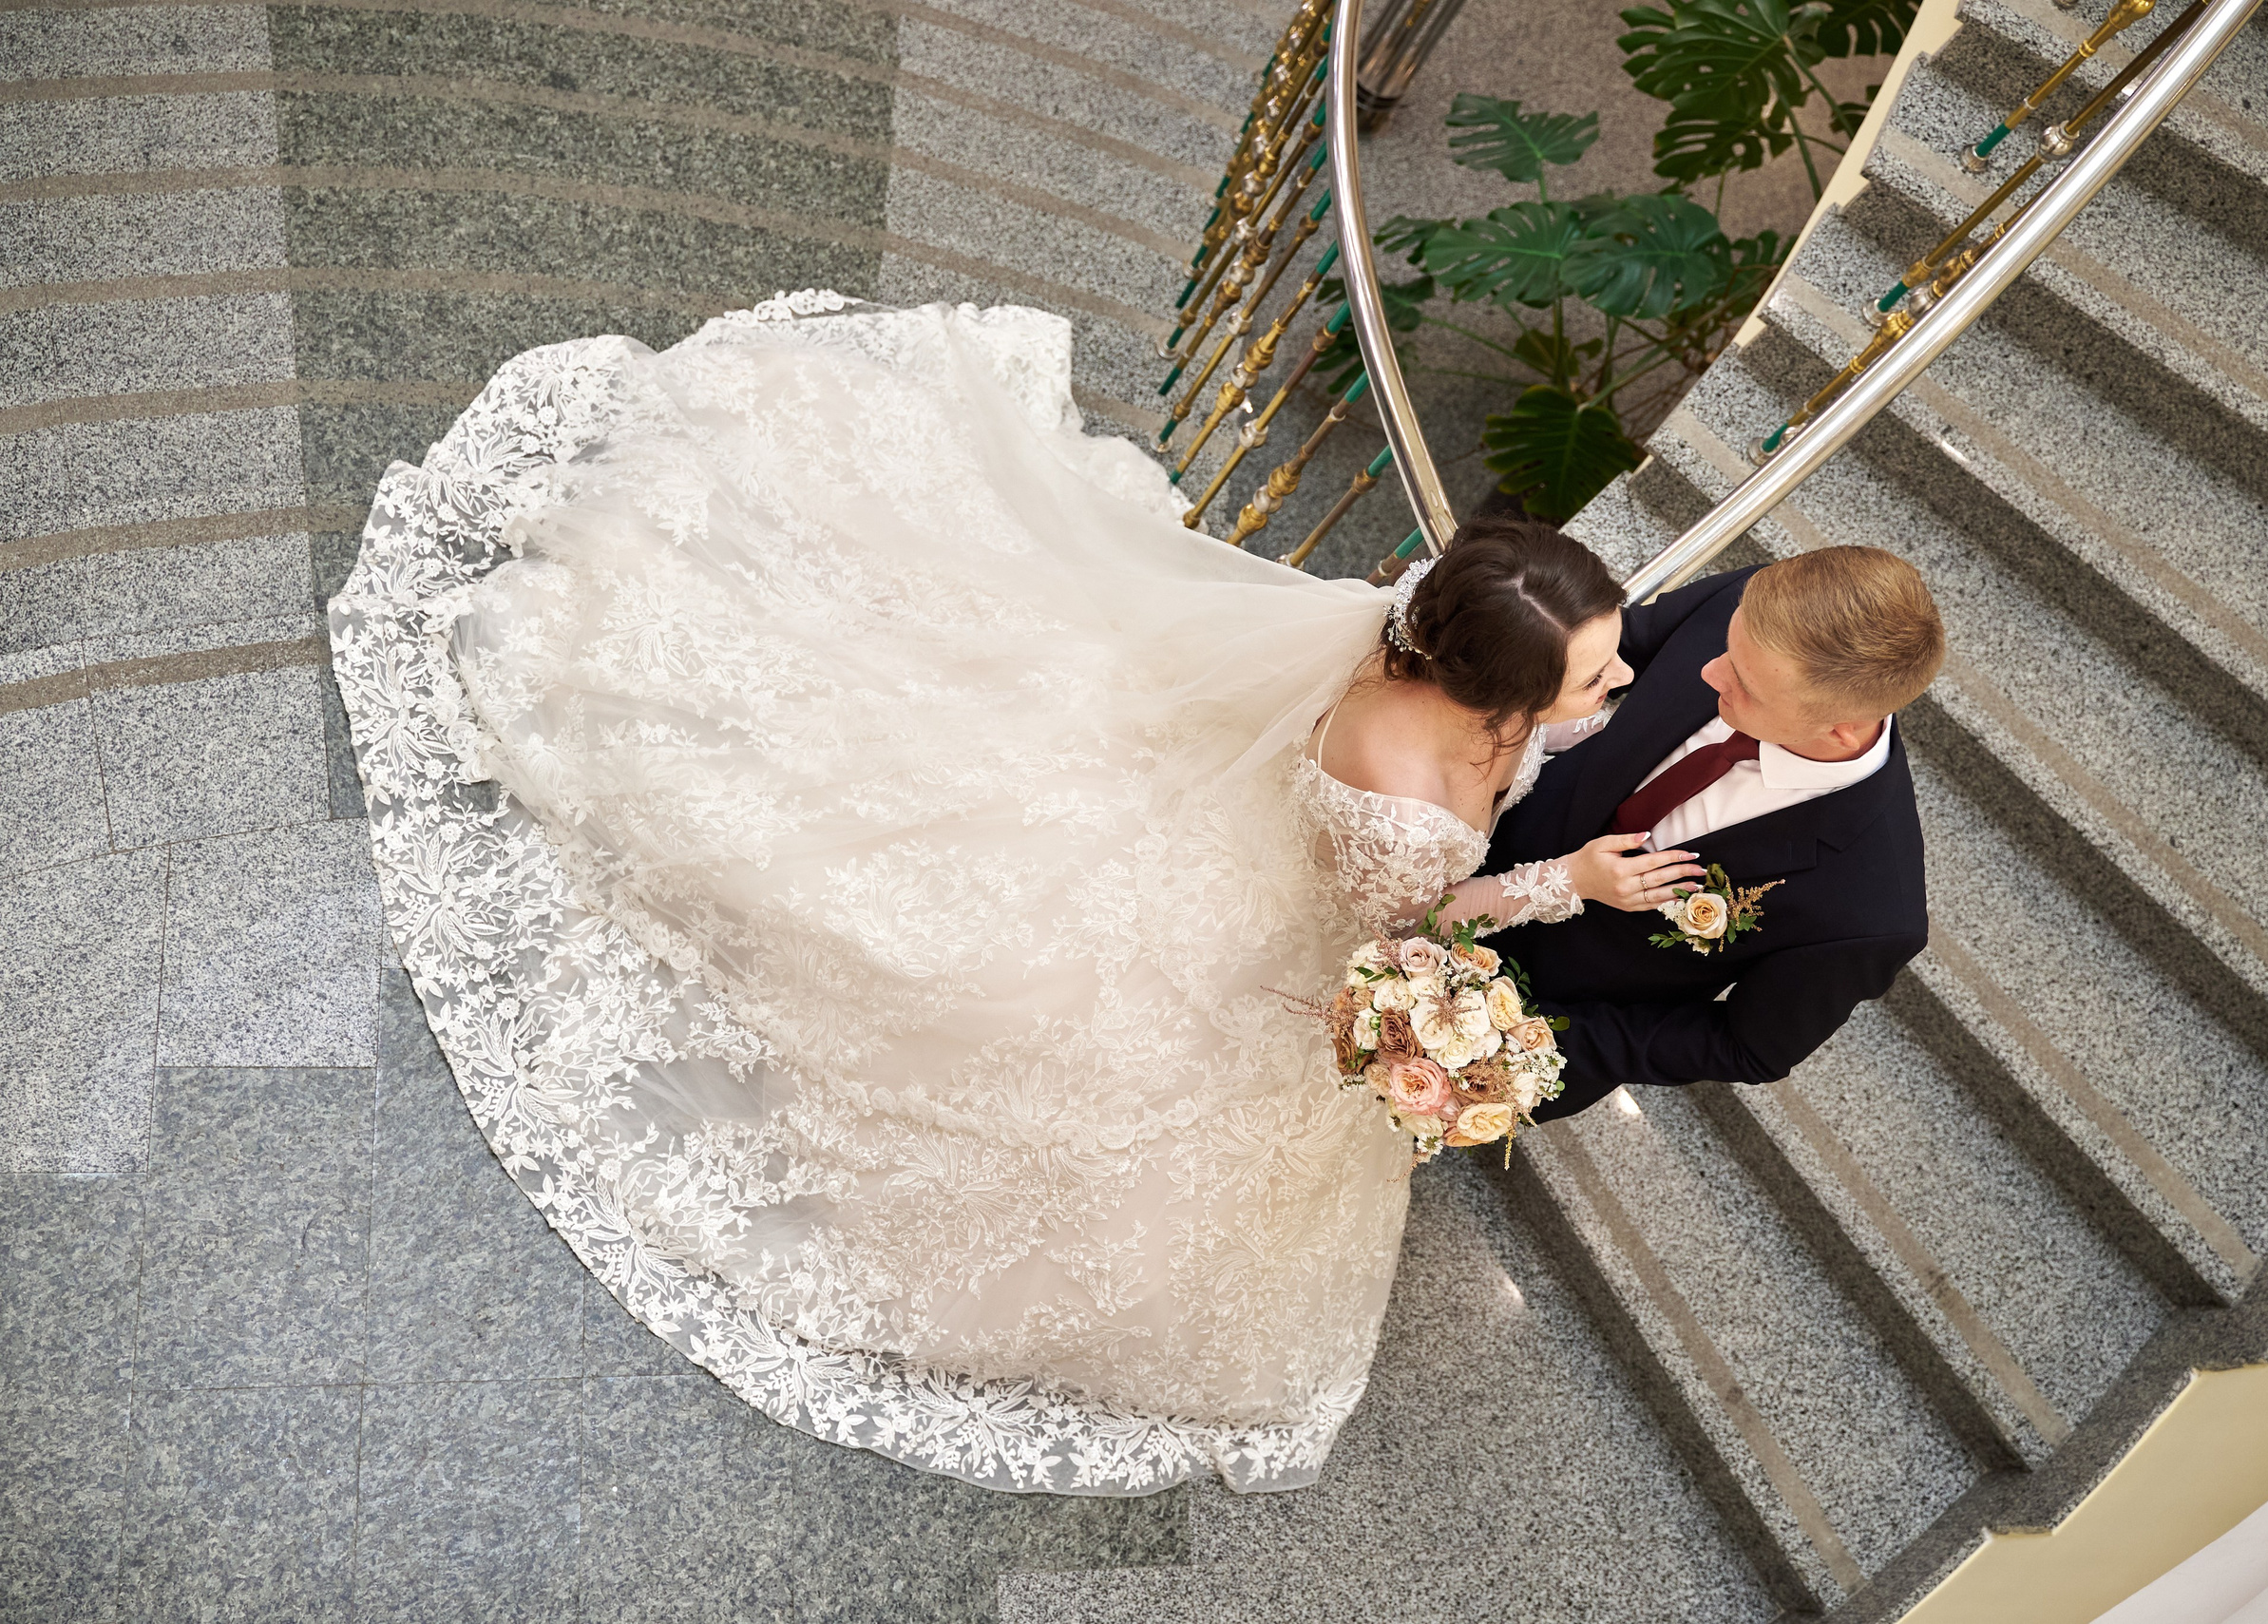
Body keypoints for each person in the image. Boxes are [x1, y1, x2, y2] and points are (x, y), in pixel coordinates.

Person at [328, 292, 1693, 1499]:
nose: (1619, 685)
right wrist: (1556, 885)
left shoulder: (1427, 633)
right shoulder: (1400, 784)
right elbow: (1384, 929)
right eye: (1591, 678)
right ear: (1493, 691)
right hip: (1259, 929)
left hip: (1255, 813)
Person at [1480, 545, 1947, 1111]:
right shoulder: (1757, 608)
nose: (1709, 671)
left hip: (1510, 1027)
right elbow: (1604, 653)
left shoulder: (1871, 912)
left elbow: (1747, 1047)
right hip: (1449, 851)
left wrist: (1524, 1043)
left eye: (1745, 685)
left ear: (1842, 732)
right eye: (1728, 644)